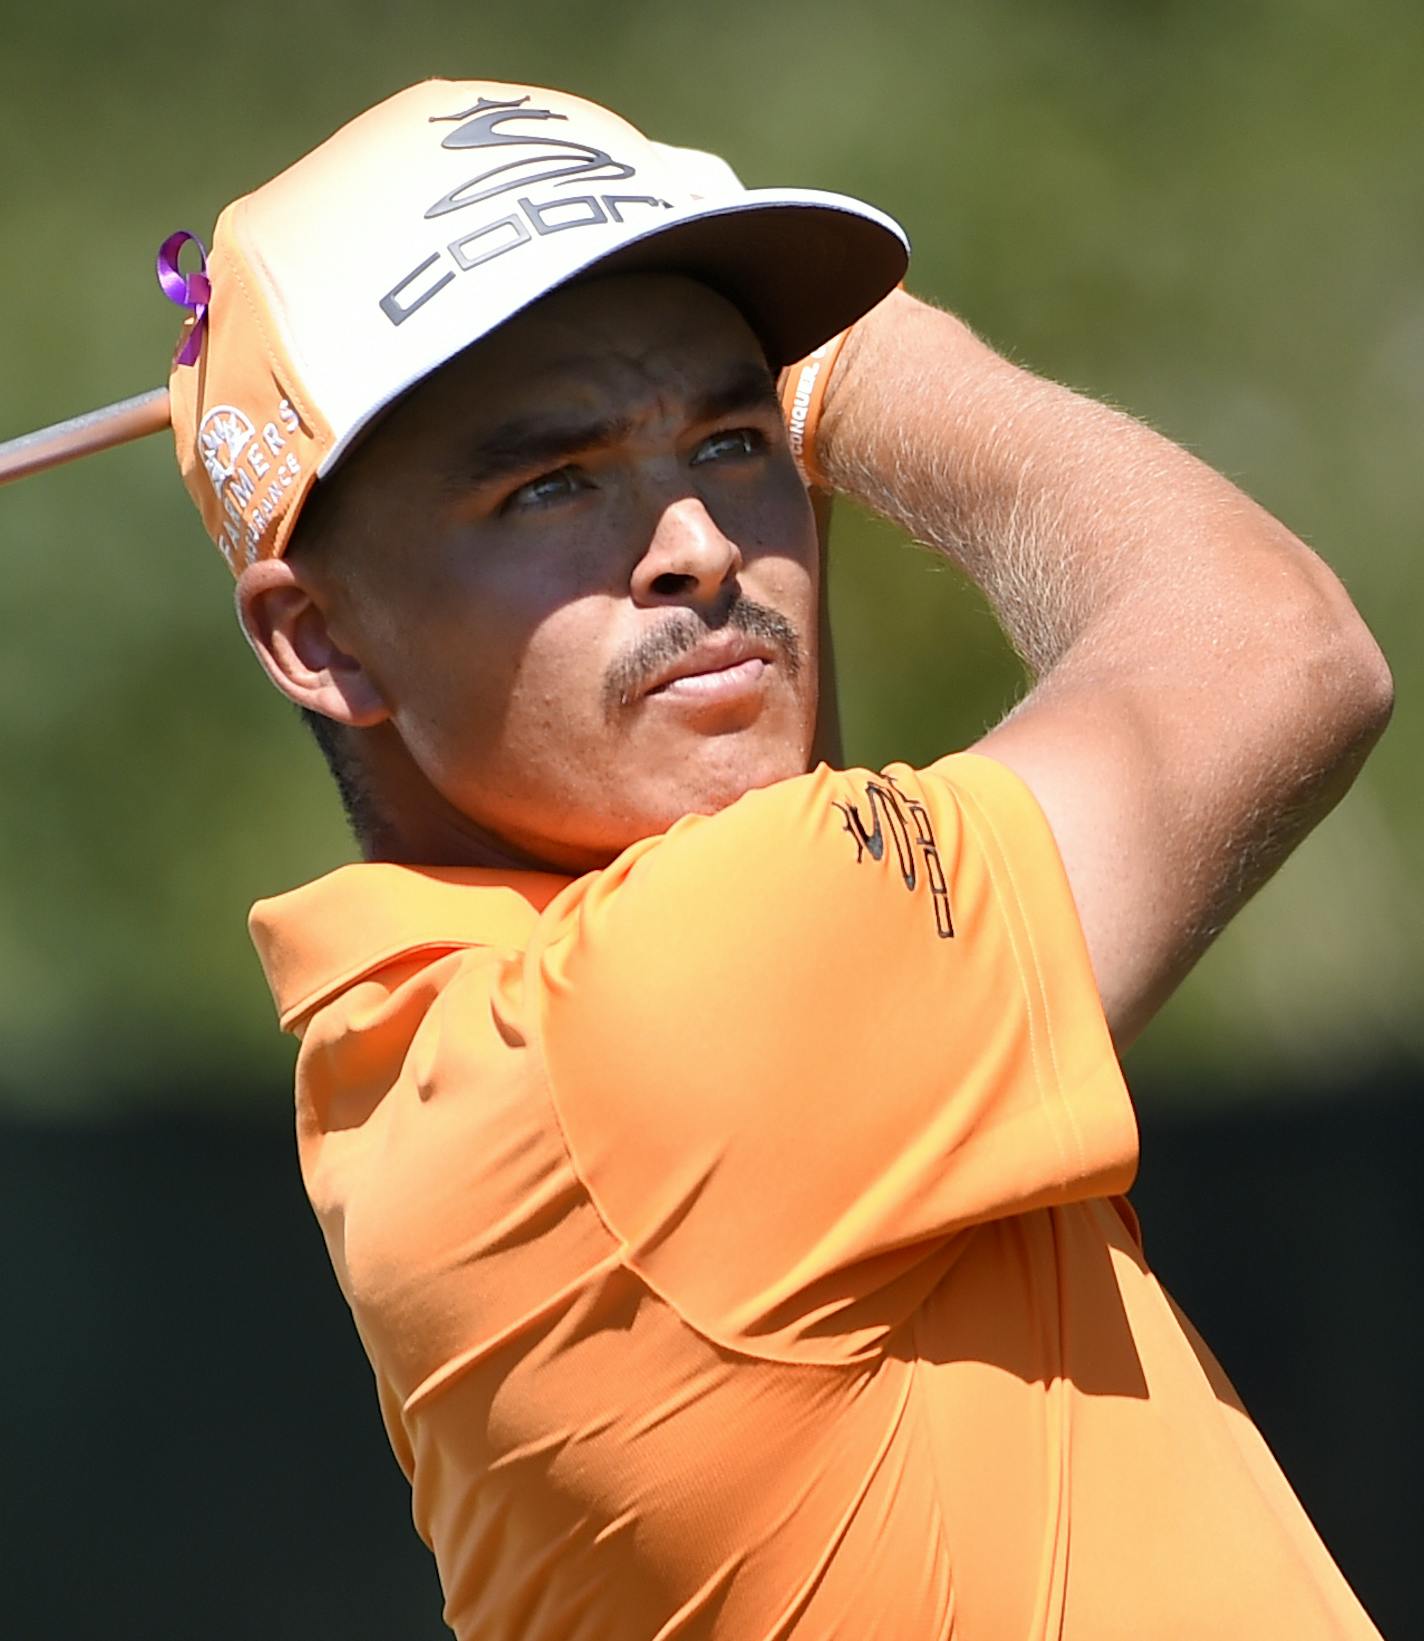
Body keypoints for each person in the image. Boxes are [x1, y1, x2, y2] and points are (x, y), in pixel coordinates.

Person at [167, 79, 1391, 1638]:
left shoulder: (437, 1053)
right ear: (319, 635)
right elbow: (1277, 648)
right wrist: (868, 366)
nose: (697, 540)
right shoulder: (641, 1030)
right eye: (552, 483)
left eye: (734, 439)